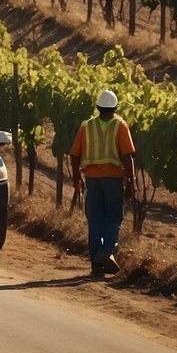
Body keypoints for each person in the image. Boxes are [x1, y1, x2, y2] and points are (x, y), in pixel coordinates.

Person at [68, 89, 137, 277]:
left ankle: (96, 266)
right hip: (113, 180)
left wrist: (76, 178)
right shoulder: (120, 125)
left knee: (95, 221)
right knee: (114, 218)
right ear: (116, 107)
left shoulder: (86, 126)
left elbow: (74, 155)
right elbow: (127, 156)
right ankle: (106, 252)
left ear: (98, 107)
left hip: (92, 180)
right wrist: (131, 182)